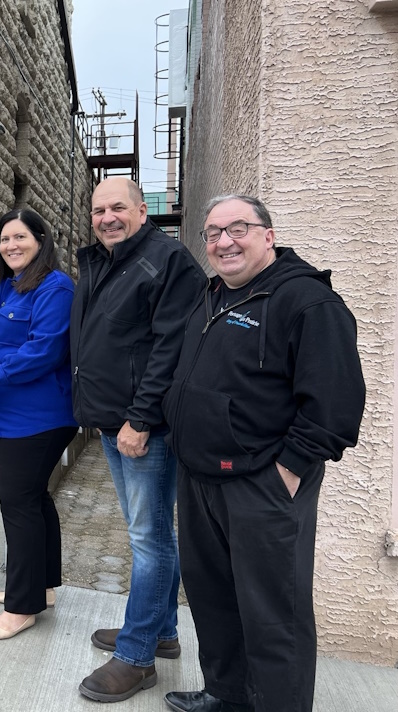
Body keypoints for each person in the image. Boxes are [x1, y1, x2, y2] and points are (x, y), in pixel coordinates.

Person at [162, 195, 365, 712]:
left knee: (274, 614)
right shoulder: (211, 296)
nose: (223, 242)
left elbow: (335, 403)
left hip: (261, 484)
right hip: (201, 477)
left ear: (268, 235)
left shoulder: (307, 301)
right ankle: (227, 695)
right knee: (213, 601)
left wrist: (289, 470)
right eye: (212, 233)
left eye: (238, 229)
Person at [70, 177, 207, 702]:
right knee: (149, 533)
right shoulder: (102, 260)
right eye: (99, 209)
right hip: (113, 422)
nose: (107, 217)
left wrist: (141, 419)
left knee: (148, 538)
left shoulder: (166, 260)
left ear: (142, 210)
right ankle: (161, 631)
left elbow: (170, 348)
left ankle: (135, 656)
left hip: (142, 427)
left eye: (118, 208)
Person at [0, 207, 77, 641]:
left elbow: (46, 349)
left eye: (21, 237)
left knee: (18, 502)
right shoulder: (7, 287)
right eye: (5, 239)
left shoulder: (55, 287)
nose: (11, 245)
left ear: (41, 241)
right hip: (7, 414)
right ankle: (41, 588)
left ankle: (21, 605)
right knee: (34, 499)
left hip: (40, 415)